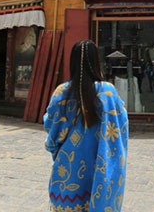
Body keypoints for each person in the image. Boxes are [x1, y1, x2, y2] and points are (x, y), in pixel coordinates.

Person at [44, 40, 128, 211]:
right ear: (97, 62)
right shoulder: (108, 92)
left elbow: (51, 128)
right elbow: (121, 124)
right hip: (100, 173)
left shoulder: (62, 92)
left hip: (67, 175)